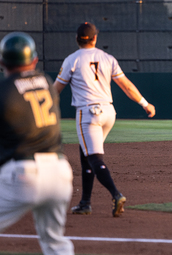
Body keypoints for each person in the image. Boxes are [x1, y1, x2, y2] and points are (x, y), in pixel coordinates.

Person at [53, 22, 156, 217]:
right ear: (95, 38)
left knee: (94, 158)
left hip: (88, 113)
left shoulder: (71, 60)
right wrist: (145, 103)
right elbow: (126, 86)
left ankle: (116, 195)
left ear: (77, 39)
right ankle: (85, 203)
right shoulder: (107, 58)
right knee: (86, 156)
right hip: (109, 112)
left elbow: (56, 90)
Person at [0, 32, 74, 254]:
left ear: (2, 62)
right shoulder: (46, 82)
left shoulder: (4, 91)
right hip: (60, 173)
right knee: (54, 242)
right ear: (34, 60)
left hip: (25, 175)